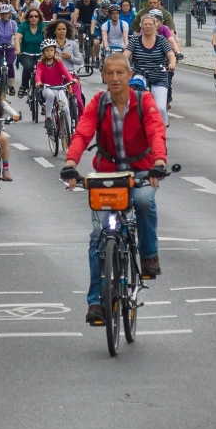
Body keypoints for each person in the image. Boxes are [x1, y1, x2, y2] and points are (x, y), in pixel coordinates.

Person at [61, 53, 169, 324]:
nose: (115, 78)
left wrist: (159, 162)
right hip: (107, 172)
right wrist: (70, 163)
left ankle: (148, 255)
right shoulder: (98, 103)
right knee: (99, 235)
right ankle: (96, 302)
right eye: (110, 73)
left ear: (129, 75)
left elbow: (156, 132)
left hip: (142, 169)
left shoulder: (144, 101)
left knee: (144, 201)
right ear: (104, 77)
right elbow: (83, 133)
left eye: (121, 72)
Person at [129, 13, 177, 125]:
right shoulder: (135, 40)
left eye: (150, 24)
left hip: (159, 76)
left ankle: (161, 129)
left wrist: (172, 63)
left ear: (155, 26)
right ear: (141, 26)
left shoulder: (161, 40)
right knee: (135, 105)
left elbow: (170, 55)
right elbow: (126, 55)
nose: (148, 27)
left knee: (160, 108)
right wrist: (122, 65)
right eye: (145, 24)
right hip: (140, 76)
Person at [34, 38, 79, 132]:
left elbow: (65, 72)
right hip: (47, 88)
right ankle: (48, 118)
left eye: (51, 50)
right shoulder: (40, 63)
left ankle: (70, 132)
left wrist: (71, 80)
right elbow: (38, 74)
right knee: (51, 95)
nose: (49, 53)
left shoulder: (58, 62)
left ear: (55, 51)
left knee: (65, 108)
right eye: (47, 51)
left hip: (59, 88)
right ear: (43, 52)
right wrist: (38, 81)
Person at [0, 3, 19, 94]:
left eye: (6, 13)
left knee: (10, 64)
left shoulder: (12, 23)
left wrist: (17, 43)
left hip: (10, 47)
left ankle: (12, 86)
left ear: (9, 14)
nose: (4, 15)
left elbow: (17, 34)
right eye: (2, 13)